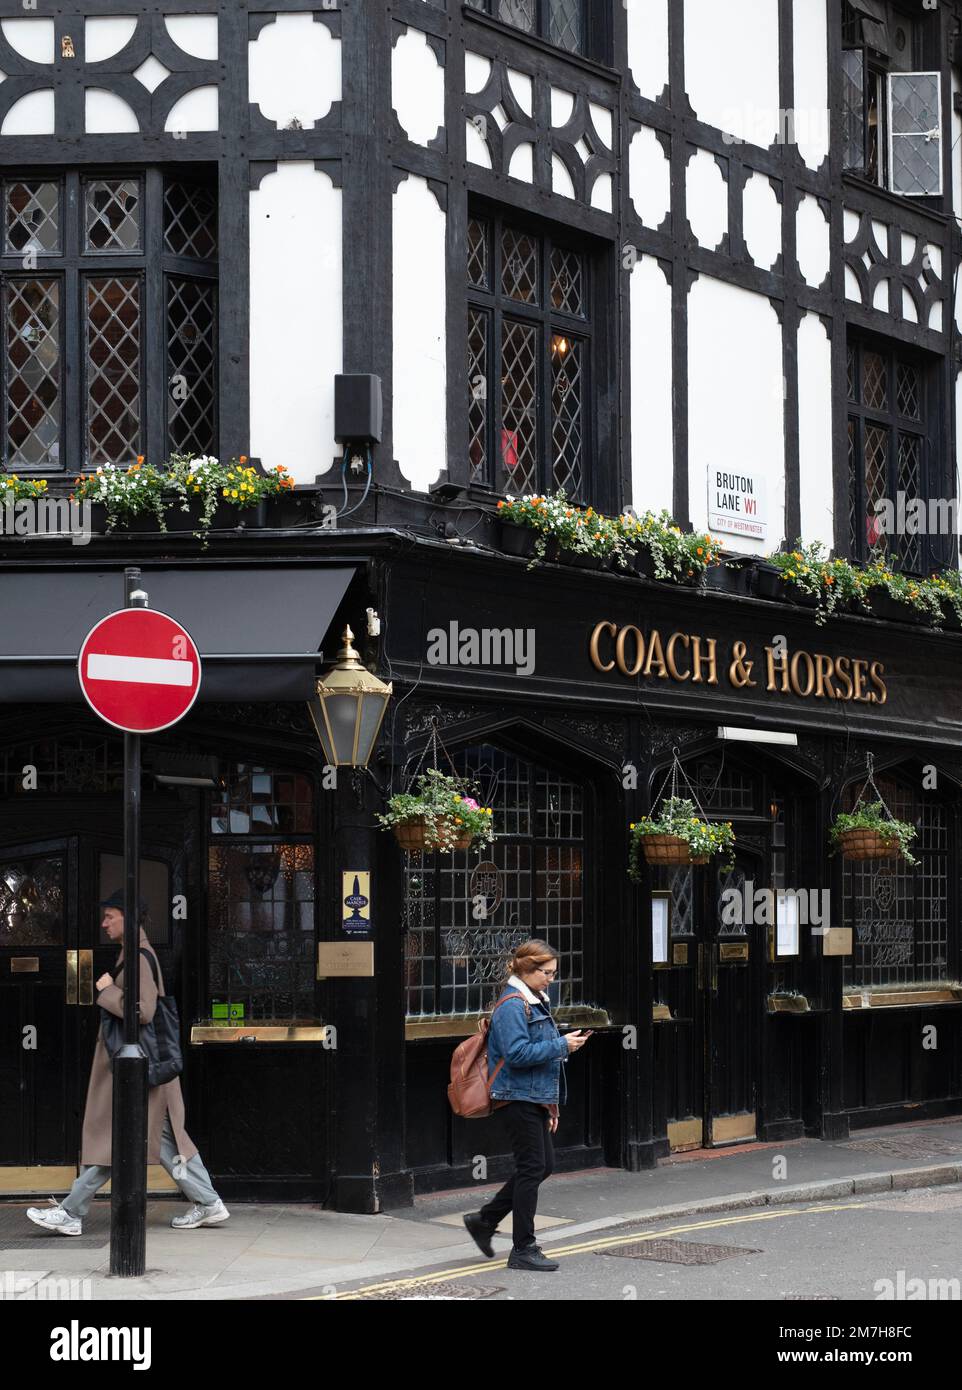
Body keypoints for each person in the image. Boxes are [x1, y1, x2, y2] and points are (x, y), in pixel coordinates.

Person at [26, 892, 229, 1236]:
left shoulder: (137, 958)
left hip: (139, 1071)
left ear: (129, 918)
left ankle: (72, 1212)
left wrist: (106, 991)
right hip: (145, 1071)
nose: (104, 923)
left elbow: (144, 1011)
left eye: (110, 916)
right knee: (165, 1140)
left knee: (116, 1137)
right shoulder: (133, 954)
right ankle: (209, 1202)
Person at [463, 939, 590, 1272]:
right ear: (528, 969)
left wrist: (551, 1106)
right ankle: (523, 1248)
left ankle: (485, 1220)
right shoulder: (511, 1006)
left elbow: (537, 1054)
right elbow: (517, 1055)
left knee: (541, 1165)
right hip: (515, 1097)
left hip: (533, 1097)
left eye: (552, 973)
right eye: (546, 973)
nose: (551, 979)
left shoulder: (534, 1001)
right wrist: (561, 1044)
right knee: (533, 1167)